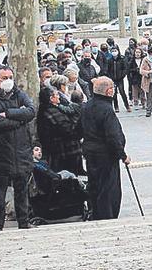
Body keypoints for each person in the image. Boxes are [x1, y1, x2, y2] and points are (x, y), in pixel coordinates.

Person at [0, 66, 36, 231]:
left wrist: (9, 113)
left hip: (21, 153)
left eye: (10, 76)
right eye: (4, 77)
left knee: (22, 191)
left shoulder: (19, 94)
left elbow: (31, 111)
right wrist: (20, 119)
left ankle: (23, 223)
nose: (8, 80)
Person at [81, 77, 128, 220]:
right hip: (106, 154)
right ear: (109, 91)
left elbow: (79, 128)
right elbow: (113, 136)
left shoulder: (86, 106)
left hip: (90, 152)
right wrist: (123, 155)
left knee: (94, 185)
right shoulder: (107, 110)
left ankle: (95, 213)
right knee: (108, 188)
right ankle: (107, 216)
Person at [37, 87, 83, 174]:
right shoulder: (53, 112)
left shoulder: (47, 110)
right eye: (57, 95)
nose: (59, 97)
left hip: (60, 151)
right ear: (51, 98)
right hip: (64, 151)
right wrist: (79, 125)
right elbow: (68, 130)